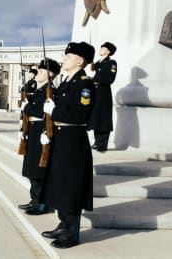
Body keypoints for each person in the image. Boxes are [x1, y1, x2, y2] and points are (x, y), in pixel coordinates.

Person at [40, 42, 95, 249]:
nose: (64, 59)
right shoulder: (66, 83)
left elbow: (81, 115)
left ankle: (72, 233)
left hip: (73, 142)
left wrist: (54, 112)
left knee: (71, 187)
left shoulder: (84, 84)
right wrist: (49, 130)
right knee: (60, 184)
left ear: (79, 61)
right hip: (61, 140)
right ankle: (63, 224)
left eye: (68, 56)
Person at [19, 58, 61, 216]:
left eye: (42, 71)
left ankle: (42, 203)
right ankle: (35, 199)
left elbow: (44, 113)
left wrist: (27, 107)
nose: (38, 73)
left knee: (38, 171)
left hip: (41, 132)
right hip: (32, 130)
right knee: (31, 170)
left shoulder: (50, 90)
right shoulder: (39, 89)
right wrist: (23, 128)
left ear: (51, 74)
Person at [88, 42, 117, 152]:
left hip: (104, 92)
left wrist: (93, 80)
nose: (100, 49)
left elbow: (110, 78)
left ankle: (102, 144)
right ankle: (97, 142)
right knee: (96, 117)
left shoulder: (111, 62)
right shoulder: (100, 62)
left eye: (103, 48)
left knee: (103, 118)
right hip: (96, 92)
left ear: (108, 51)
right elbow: (92, 68)